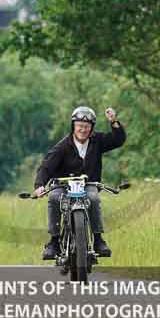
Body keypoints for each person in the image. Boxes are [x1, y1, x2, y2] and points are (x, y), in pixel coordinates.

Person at [33, 105, 126, 260]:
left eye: (86, 127)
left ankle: (98, 240)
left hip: (88, 184)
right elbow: (46, 167)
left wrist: (114, 122)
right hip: (63, 185)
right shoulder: (63, 146)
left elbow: (118, 140)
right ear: (73, 126)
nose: (83, 130)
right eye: (80, 126)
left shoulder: (97, 141)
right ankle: (54, 241)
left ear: (91, 129)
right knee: (54, 198)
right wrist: (39, 186)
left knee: (94, 199)